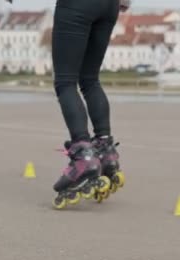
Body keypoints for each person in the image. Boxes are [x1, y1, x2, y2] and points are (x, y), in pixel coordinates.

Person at [49, 0, 129, 209]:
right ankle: (105, 150)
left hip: (77, 5)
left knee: (66, 82)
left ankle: (84, 156)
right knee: (90, 79)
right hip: (108, 6)